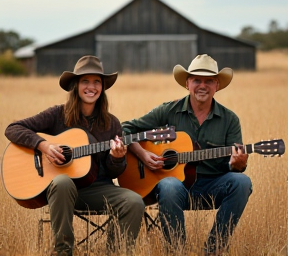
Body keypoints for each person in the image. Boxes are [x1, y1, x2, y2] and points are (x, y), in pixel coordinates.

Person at [5, 55, 145, 256]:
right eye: (85, 81)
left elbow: (115, 170)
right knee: (62, 182)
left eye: (97, 81)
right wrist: (43, 145)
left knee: (134, 201)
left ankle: (117, 252)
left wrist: (117, 157)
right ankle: (63, 251)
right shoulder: (57, 114)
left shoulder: (112, 123)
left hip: (97, 188)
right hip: (61, 192)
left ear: (102, 88)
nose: (91, 87)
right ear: (76, 86)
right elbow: (13, 128)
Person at [121, 54, 252, 255]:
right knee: (168, 184)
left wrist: (238, 164)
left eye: (209, 81)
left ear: (217, 85)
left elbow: (235, 166)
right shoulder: (168, 110)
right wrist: (142, 155)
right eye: (197, 80)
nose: (203, 85)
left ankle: (214, 250)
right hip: (174, 189)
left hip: (211, 187)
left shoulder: (230, 119)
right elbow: (124, 129)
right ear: (187, 83)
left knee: (242, 182)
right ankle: (177, 251)